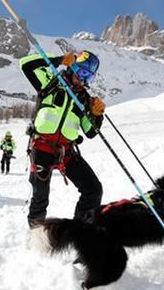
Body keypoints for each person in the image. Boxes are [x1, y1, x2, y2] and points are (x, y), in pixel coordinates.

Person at [20, 50, 105, 227]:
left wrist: (97, 115)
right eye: (82, 73)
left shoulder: (83, 99)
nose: (83, 80)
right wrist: (58, 60)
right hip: (42, 147)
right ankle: (36, 235)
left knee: (93, 190)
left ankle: (79, 232)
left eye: (89, 77)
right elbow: (25, 65)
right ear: (72, 67)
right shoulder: (50, 81)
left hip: (66, 151)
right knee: (40, 196)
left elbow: (90, 132)